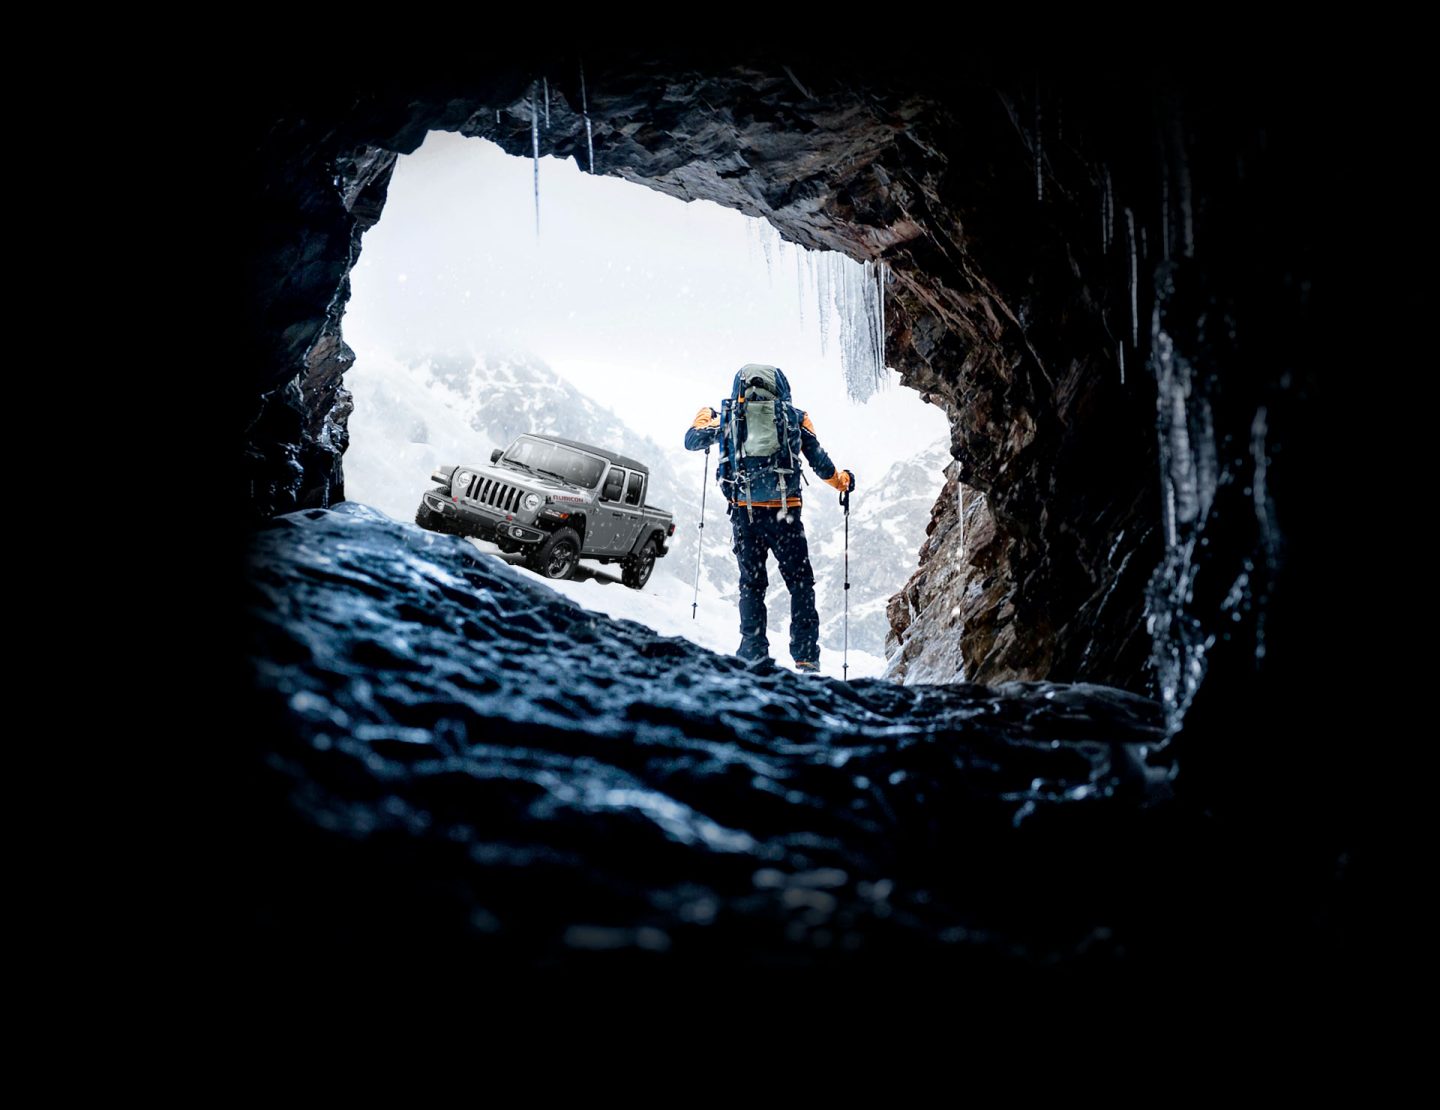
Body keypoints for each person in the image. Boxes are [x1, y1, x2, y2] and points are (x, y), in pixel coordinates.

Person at [684, 363, 854, 673]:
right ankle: (805, 656)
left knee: (752, 585)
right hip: (785, 513)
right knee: (800, 583)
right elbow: (819, 462)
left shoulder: (729, 418)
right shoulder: (795, 418)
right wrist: (843, 481)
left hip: (745, 514)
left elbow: (692, 439)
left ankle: (752, 651)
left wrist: (704, 413)